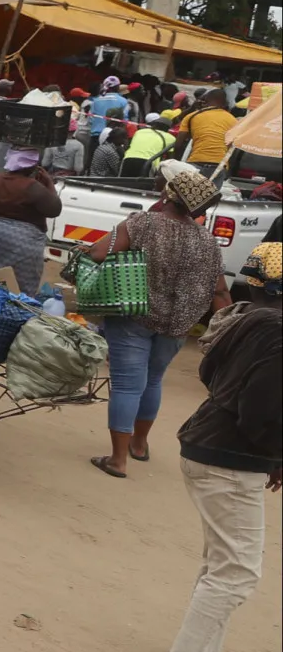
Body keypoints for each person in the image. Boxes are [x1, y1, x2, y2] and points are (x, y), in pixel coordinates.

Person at [146, 244, 281, 652]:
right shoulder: (277, 331)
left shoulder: (245, 317)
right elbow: (261, 410)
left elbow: (209, 371)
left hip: (210, 446)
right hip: (230, 459)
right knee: (237, 571)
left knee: (222, 564)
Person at [86, 163, 230, 478]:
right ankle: (139, 445)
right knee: (152, 380)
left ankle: (118, 460)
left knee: (127, 384)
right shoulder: (208, 242)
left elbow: (98, 253)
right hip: (178, 324)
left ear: (168, 194)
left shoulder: (142, 224)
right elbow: (219, 291)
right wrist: (229, 330)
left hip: (134, 316)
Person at [0, 148, 60, 296]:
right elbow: (55, 209)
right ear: (32, 166)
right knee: (19, 285)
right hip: (23, 242)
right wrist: (49, 183)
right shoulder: (32, 187)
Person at [174, 88, 237, 169]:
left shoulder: (192, 116)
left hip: (197, 162)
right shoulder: (234, 120)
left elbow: (178, 145)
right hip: (220, 165)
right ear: (225, 103)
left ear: (205, 100)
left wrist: (175, 163)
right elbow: (233, 147)